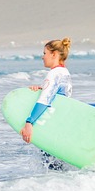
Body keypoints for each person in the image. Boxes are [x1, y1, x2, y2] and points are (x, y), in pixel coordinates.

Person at [19, 38, 72, 170]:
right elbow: (58, 96)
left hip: (51, 126)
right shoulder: (65, 72)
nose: (42, 57)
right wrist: (41, 89)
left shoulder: (54, 74)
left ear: (54, 54)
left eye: (44, 53)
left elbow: (45, 100)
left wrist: (29, 122)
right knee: (58, 166)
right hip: (61, 124)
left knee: (50, 166)